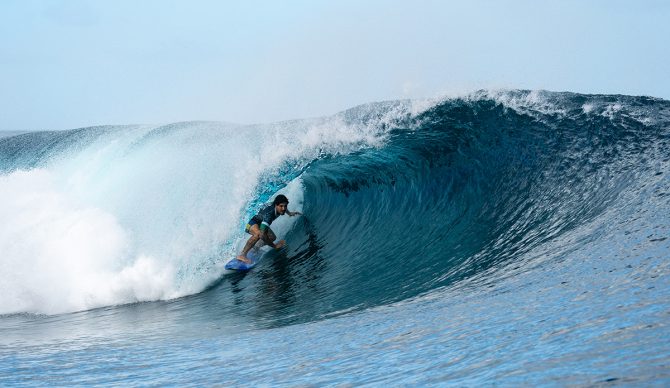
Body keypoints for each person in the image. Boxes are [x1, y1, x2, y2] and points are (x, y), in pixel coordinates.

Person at [237, 194, 301, 264]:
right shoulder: (269, 215)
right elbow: (262, 235)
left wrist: (289, 213)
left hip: (261, 221)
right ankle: (242, 255)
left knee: (272, 237)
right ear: (276, 205)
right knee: (259, 234)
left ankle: (254, 248)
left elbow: (283, 207)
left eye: (285, 206)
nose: (283, 208)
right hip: (252, 222)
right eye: (281, 206)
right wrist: (275, 246)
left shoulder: (278, 207)